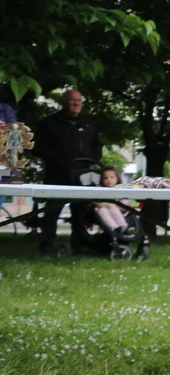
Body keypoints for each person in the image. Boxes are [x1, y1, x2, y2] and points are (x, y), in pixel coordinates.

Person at [33, 89, 101, 254]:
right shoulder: (49, 123)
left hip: (83, 175)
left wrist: (93, 159)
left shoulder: (89, 123)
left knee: (80, 212)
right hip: (57, 174)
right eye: (72, 100)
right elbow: (37, 147)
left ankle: (78, 245)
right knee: (51, 211)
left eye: (79, 100)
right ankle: (47, 246)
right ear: (64, 102)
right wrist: (56, 158)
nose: (76, 103)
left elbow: (97, 145)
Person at [93, 166, 133, 235]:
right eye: (105, 178)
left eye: (112, 177)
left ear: (117, 178)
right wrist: (104, 204)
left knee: (113, 208)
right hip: (101, 210)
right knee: (103, 210)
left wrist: (115, 205)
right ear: (102, 180)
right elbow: (94, 200)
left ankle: (123, 226)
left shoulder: (120, 190)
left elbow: (125, 204)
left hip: (119, 211)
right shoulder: (99, 189)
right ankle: (115, 228)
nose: (108, 180)